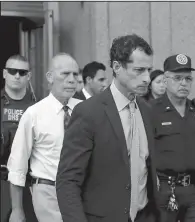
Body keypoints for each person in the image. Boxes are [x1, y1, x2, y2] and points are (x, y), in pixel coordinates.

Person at [56, 34, 159, 222]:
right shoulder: (89, 112)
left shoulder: (147, 110)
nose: (147, 78)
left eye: (149, 70)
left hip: (145, 215)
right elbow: (68, 181)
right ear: (117, 67)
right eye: (139, 70)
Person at [7, 53, 82, 222]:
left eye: (75, 74)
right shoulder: (34, 114)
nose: (72, 80)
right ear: (50, 77)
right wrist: (17, 210)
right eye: (65, 74)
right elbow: (18, 164)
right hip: (48, 192)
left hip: (82, 191)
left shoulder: (86, 110)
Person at [150, 54, 195, 222]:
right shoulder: (152, 111)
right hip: (166, 190)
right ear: (165, 80)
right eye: (177, 78)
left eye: (188, 79)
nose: (184, 83)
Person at [1, 54, 38, 222]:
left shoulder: (38, 106)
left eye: (22, 72)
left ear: (28, 76)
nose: (17, 75)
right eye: (12, 71)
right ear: (4, 74)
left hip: (28, 183)